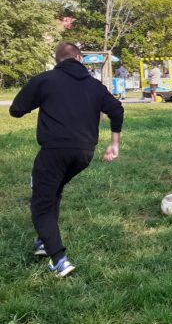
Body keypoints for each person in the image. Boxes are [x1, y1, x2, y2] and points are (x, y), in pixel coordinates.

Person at [9, 42, 124, 278]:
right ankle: (44, 240)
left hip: (54, 151)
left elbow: (16, 110)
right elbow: (117, 110)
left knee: (40, 203)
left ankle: (59, 259)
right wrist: (114, 144)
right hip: (84, 154)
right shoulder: (95, 85)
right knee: (53, 191)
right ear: (80, 59)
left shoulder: (45, 80)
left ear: (57, 61)